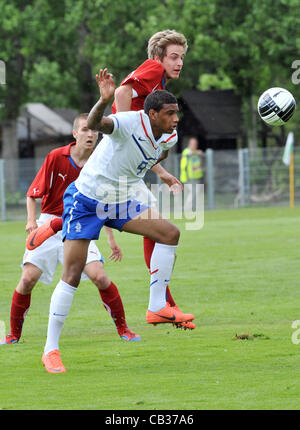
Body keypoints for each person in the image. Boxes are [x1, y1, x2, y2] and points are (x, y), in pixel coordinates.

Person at [27, 29, 195, 331]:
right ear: (158, 57)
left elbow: (149, 148)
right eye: (173, 56)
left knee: (159, 228)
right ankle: (161, 304)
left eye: (182, 57)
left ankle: (161, 304)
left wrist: (161, 170)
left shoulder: (161, 88)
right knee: (155, 227)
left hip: (125, 159)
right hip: (116, 142)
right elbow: (120, 94)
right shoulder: (154, 68)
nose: (179, 62)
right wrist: (128, 131)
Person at [0, 113, 140, 346]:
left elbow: (104, 204)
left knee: (100, 276)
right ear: (75, 134)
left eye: (94, 130)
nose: (90, 134)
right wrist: (31, 221)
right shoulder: (56, 156)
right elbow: (33, 193)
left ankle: (124, 330)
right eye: (85, 130)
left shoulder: (101, 162)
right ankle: (13, 335)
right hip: (50, 222)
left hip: (82, 223)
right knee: (27, 279)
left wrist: (111, 239)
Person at [180, 137, 204, 211]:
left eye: (196, 144)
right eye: (193, 144)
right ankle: (187, 207)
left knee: (195, 192)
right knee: (193, 192)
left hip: (196, 176)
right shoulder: (186, 151)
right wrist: (198, 152)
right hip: (188, 177)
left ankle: (192, 207)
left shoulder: (196, 152)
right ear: (190, 144)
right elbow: (189, 154)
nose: (195, 145)